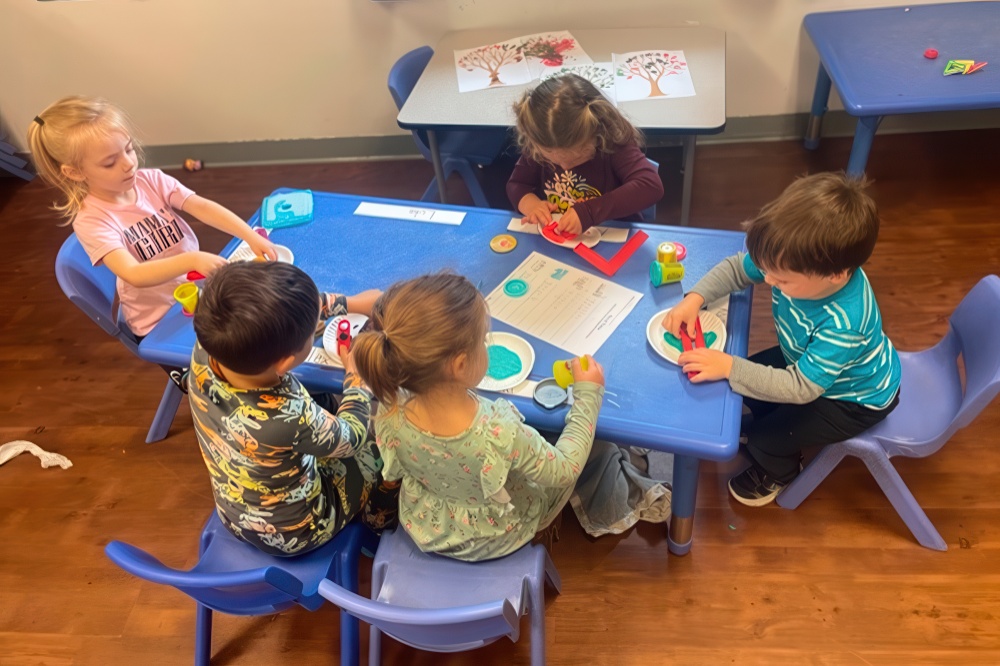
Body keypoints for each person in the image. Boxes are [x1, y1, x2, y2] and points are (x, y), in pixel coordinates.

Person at [351, 273, 671, 562]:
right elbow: (564, 470)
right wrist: (588, 394)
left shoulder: (390, 410)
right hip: (497, 535)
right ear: (460, 366)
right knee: (588, 446)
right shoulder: (497, 430)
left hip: (429, 526)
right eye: (483, 342)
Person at [663, 172, 901, 507]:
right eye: (766, 269)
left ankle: (780, 471)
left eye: (782, 280)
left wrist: (731, 366)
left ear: (837, 275)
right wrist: (695, 298)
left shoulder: (844, 323)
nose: (768, 279)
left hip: (852, 400)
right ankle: (774, 431)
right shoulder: (791, 260)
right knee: (747, 385)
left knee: (765, 436)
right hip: (805, 364)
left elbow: (801, 389)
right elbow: (737, 269)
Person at [187, 261, 398, 556]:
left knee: (322, 401)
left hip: (234, 513)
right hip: (298, 530)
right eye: (311, 330)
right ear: (286, 362)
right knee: (387, 446)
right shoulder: (287, 414)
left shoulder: (205, 348)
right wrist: (355, 382)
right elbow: (351, 438)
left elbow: (277, 312)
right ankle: (377, 521)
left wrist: (349, 303)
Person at [28, 95, 275, 338]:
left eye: (129, 149)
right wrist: (192, 260)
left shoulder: (151, 181)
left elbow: (201, 207)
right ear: (75, 172)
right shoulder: (92, 220)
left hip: (197, 295)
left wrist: (249, 235)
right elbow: (133, 273)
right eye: (110, 163)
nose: (128, 164)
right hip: (159, 320)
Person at [506, 74, 663, 236]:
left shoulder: (612, 141)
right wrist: (532, 205)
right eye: (550, 157)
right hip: (559, 237)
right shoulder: (540, 141)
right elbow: (517, 184)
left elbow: (650, 186)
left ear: (597, 135)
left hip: (612, 233)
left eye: (576, 158)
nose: (564, 167)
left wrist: (589, 212)